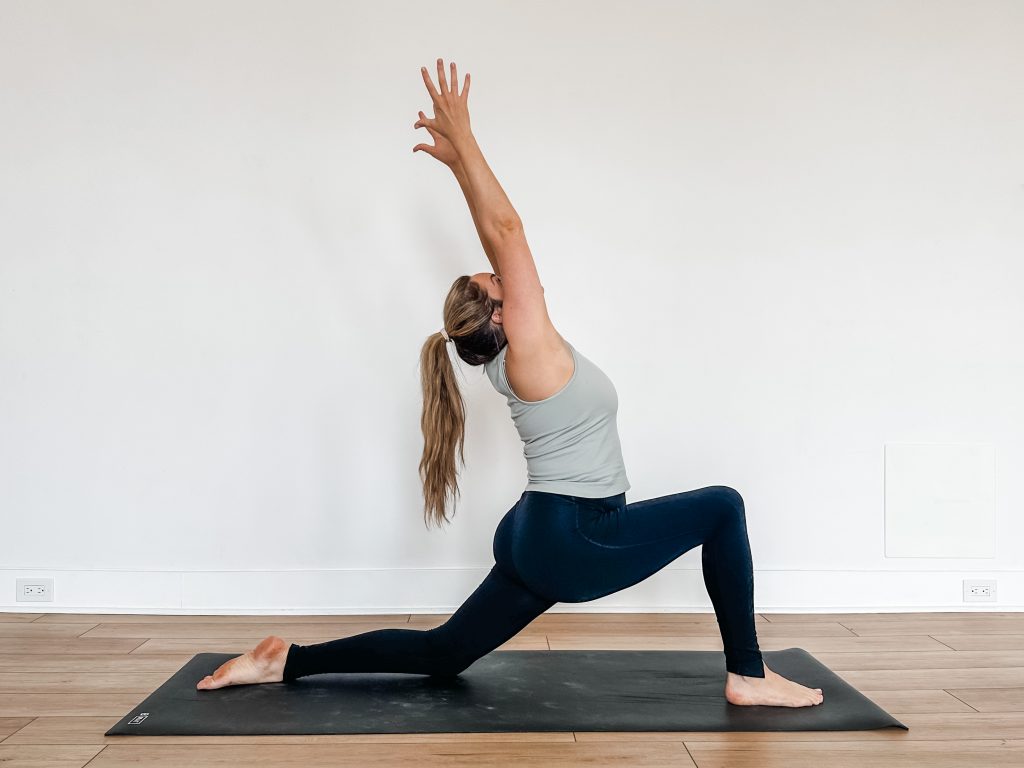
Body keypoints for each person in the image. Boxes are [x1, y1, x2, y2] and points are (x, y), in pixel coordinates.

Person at [197, 59, 823, 709]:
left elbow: (501, 242)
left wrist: (456, 169)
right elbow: (507, 230)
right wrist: (465, 139)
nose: (510, 275)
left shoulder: (509, 357)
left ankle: (283, 660)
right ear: (502, 313)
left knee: (443, 654)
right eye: (499, 281)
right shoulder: (528, 350)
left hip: (538, 531)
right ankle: (747, 674)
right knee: (723, 507)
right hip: (573, 534)